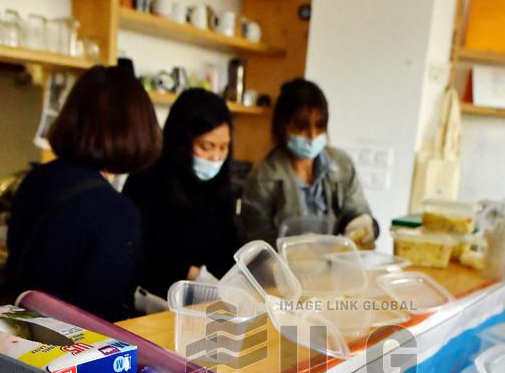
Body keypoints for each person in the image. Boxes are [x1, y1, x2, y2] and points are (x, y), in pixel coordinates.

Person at [8, 65, 161, 322]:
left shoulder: (35, 179)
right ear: (138, 130)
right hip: (70, 355)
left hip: (18, 341)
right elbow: (104, 317)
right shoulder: (115, 211)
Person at [123, 89, 240, 298]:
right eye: (207, 146)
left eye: (224, 148)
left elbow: (229, 242)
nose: (216, 157)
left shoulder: (219, 184)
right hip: (158, 301)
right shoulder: (147, 178)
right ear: (183, 143)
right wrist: (192, 274)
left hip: (212, 305)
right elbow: (140, 249)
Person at [240, 78, 377, 247]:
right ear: (283, 127)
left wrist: (362, 224)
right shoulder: (263, 178)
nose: (312, 135)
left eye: (319, 126)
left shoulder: (342, 165)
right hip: (283, 269)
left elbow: (356, 211)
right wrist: (292, 246)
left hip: (333, 264)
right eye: (302, 127)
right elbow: (256, 243)